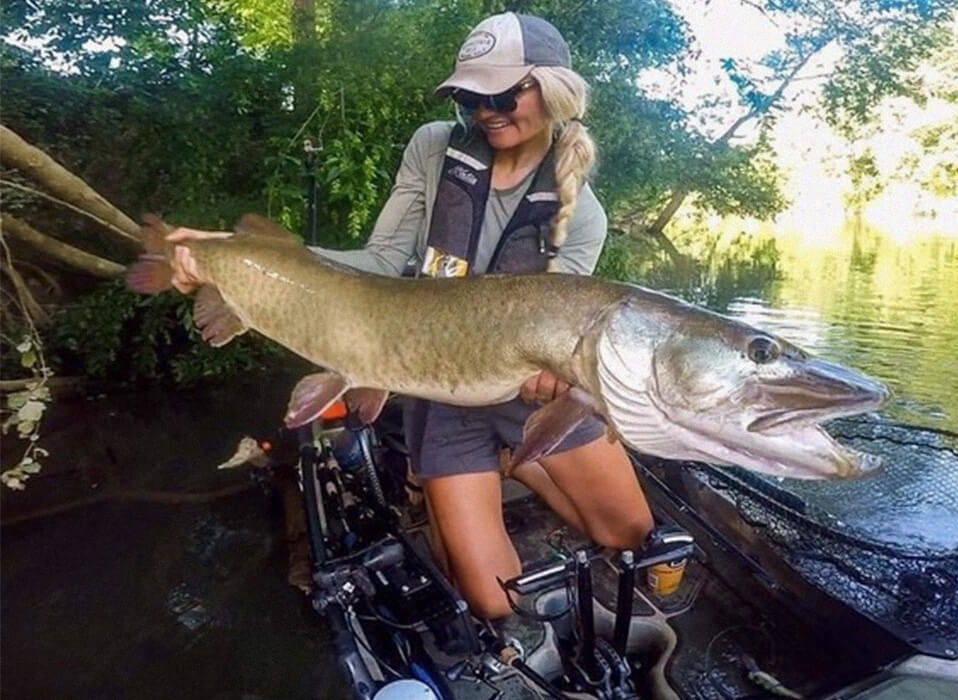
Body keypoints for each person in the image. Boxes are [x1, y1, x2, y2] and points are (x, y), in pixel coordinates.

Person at [169, 12, 653, 620]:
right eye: (472, 98)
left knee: (629, 533)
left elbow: (562, 334)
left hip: (523, 395)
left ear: (554, 90)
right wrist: (240, 256)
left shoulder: (584, 214)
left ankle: (514, 461)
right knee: (494, 602)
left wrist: (558, 379)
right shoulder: (433, 147)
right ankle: (490, 466)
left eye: (505, 93)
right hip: (434, 383)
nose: (488, 110)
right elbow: (379, 259)